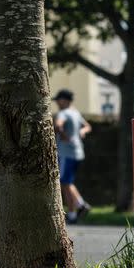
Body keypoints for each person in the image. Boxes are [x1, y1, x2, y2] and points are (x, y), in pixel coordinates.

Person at [53, 89, 92, 224]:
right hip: (77, 152)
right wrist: (82, 131)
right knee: (67, 182)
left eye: (59, 99)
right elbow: (87, 126)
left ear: (65, 100)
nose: (57, 102)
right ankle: (76, 209)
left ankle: (78, 209)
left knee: (65, 182)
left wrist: (61, 133)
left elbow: (58, 125)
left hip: (65, 153)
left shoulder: (63, 113)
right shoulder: (75, 113)